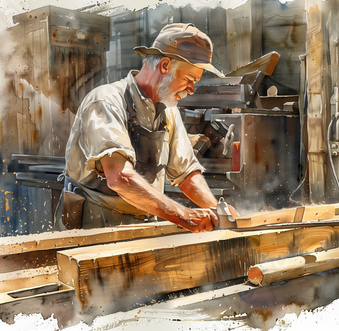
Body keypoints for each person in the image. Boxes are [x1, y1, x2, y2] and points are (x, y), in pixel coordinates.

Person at [54, 23, 237, 232]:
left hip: (140, 224)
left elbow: (186, 173)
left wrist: (217, 211)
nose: (192, 89)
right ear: (165, 66)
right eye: (189, 79)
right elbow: (120, 178)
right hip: (93, 226)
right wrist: (183, 215)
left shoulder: (168, 110)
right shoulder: (106, 101)